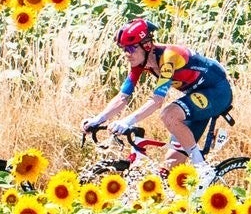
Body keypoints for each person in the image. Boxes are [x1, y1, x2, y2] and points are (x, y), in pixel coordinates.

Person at [80, 18, 234, 179]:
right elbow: (123, 96)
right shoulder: (141, 62)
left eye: (131, 48)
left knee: (169, 114)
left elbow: (157, 101)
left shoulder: (169, 57)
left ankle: (203, 169)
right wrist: (98, 120)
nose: (127, 54)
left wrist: (127, 121)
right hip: (197, 97)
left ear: (146, 45)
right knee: (169, 169)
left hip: (217, 92)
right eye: (124, 49)